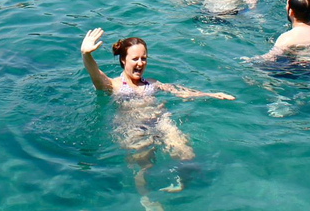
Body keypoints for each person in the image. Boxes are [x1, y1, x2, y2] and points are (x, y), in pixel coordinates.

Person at [80, 28, 234, 201]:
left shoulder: (152, 83)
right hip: (133, 128)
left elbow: (180, 92)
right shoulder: (114, 86)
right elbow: (95, 74)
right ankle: (147, 200)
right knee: (144, 166)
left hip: (160, 122)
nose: (140, 63)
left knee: (186, 154)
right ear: (123, 60)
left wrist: (210, 94)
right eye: (135, 59)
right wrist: (86, 54)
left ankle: (181, 184)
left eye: (144, 58)